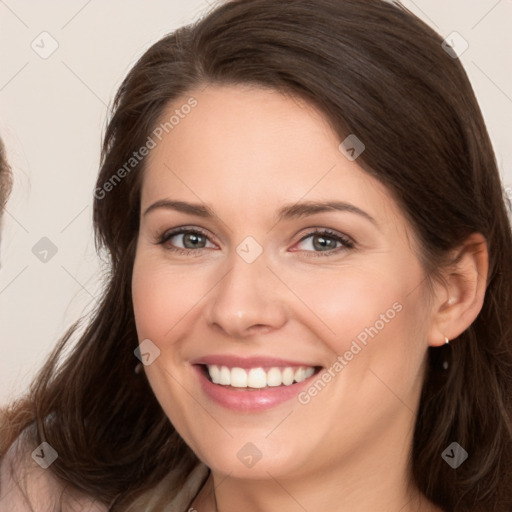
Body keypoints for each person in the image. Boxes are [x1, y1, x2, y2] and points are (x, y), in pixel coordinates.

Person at [1, 0, 511, 510]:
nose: (237, 310)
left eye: (322, 241)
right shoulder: (31, 490)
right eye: (190, 238)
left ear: (454, 291)